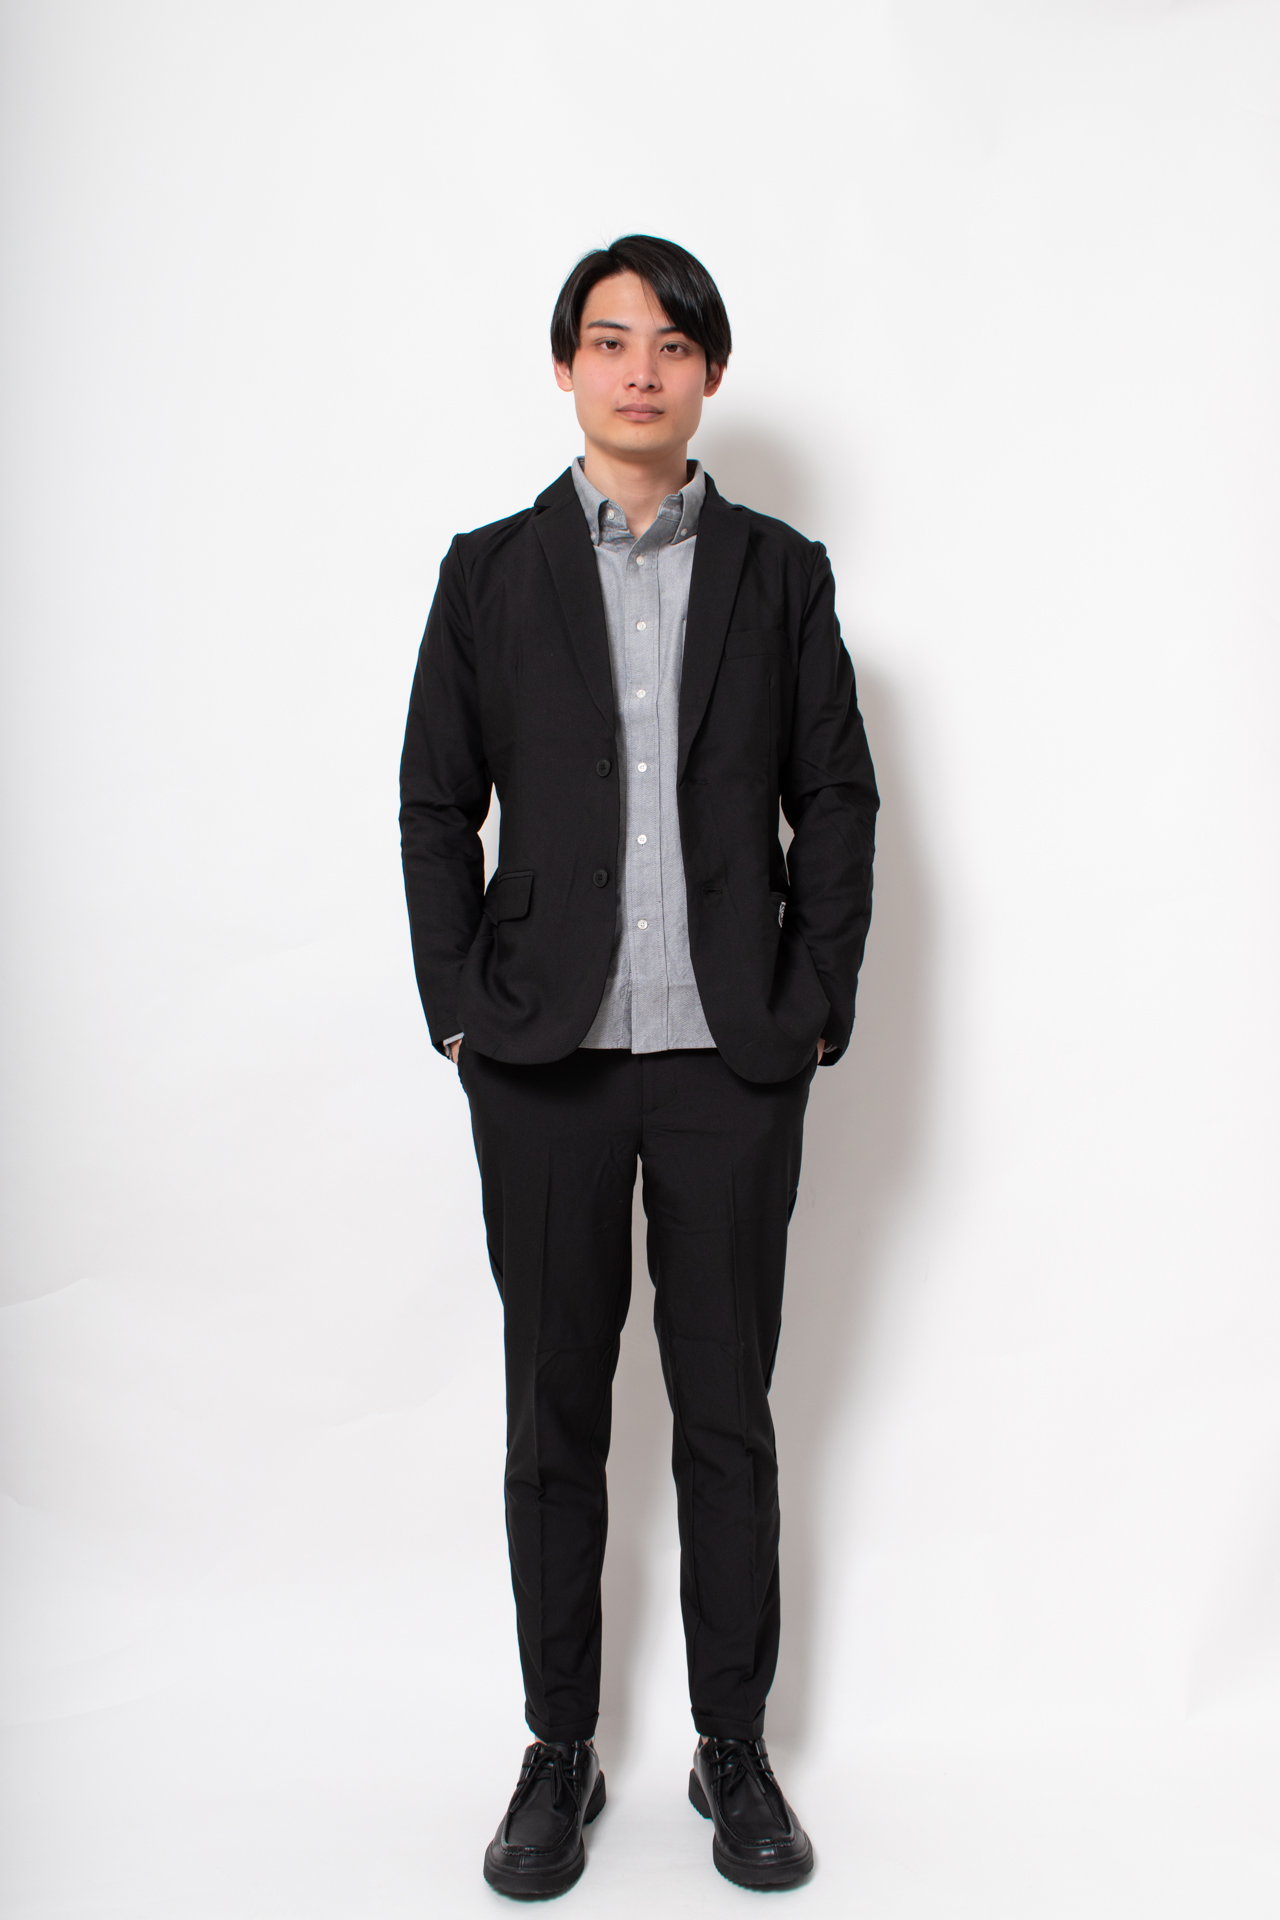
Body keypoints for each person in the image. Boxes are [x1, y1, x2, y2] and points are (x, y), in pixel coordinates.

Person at [399, 234, 878, 1897]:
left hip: (732, 1059)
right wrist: (460, 1008)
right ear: (566, 368)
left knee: (727, 1413)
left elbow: (836, 796)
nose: (640, 370)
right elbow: (434, 804)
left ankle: (731, 1746)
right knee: (555, 1417)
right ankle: (559, 1749)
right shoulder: (488, 574)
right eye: (609, 342)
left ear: (710, 373)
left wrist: (815, 1004)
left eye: (672, 344)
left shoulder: (780, 573)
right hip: (544, 1061)